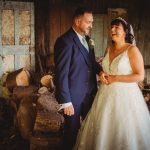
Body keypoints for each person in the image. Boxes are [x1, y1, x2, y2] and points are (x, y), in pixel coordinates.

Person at [74, 17, 150, 150]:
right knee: (103, 129)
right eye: (111, 27)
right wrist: (102, 74)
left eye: (117, 27)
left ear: (125, 32)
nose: (112, 30)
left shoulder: (132, 50)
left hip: (126, 98)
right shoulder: (108, 49)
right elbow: (105, 69)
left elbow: (140, 75)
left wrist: (115, 78)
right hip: (105, 95)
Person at [54, 7, 104, 150]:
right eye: (88, 22)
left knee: (90, 130)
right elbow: (61, 73)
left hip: (90, 94)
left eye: (92, 22)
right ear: (77, 21)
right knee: (71, 132)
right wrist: (66, 101)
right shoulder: (65, 41)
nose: (91, 26)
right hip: (73, 98)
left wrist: (100, 72)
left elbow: (91, 62)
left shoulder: (88, 40)